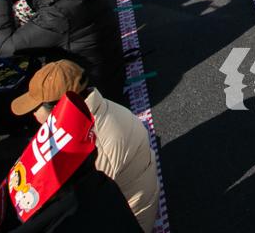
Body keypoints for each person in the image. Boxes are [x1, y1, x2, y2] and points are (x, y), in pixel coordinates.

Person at [10, 60, 160, 232]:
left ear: (59, 108)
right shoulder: (96, 110)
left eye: (36, 107)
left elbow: (93, 201)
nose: (33, 113)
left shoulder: (95, 143)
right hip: (128, 198)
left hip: (133, 221)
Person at [0, 0, 126, 101]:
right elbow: (57, 4)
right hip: (110, 75)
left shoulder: (58, 15)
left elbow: (5, 47)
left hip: (87, 92)